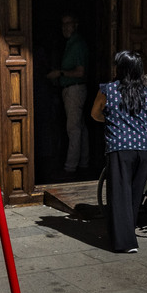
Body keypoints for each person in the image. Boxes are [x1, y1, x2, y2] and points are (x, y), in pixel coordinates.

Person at [91, 50, 147, 254]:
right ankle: (128, 232)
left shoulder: (108, 89)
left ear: (120, 68)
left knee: (118, 194)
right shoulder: (146, 90)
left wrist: (112, 120)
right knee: (133, 194)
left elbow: (95, 113)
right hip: (144, 148)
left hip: (119, 147)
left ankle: (125, 242)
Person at [47, 13, 89, 173]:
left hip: (74, 89)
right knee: (80, 127)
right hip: (74, 89)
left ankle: (70, 167)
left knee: (73, 128)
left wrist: (60, 73)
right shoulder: (71, 43)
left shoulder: (77, 44)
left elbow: (80, 72)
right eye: (63, 24)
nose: (65, 27)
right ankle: (84, 163)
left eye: (68, 23)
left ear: (75, 24)